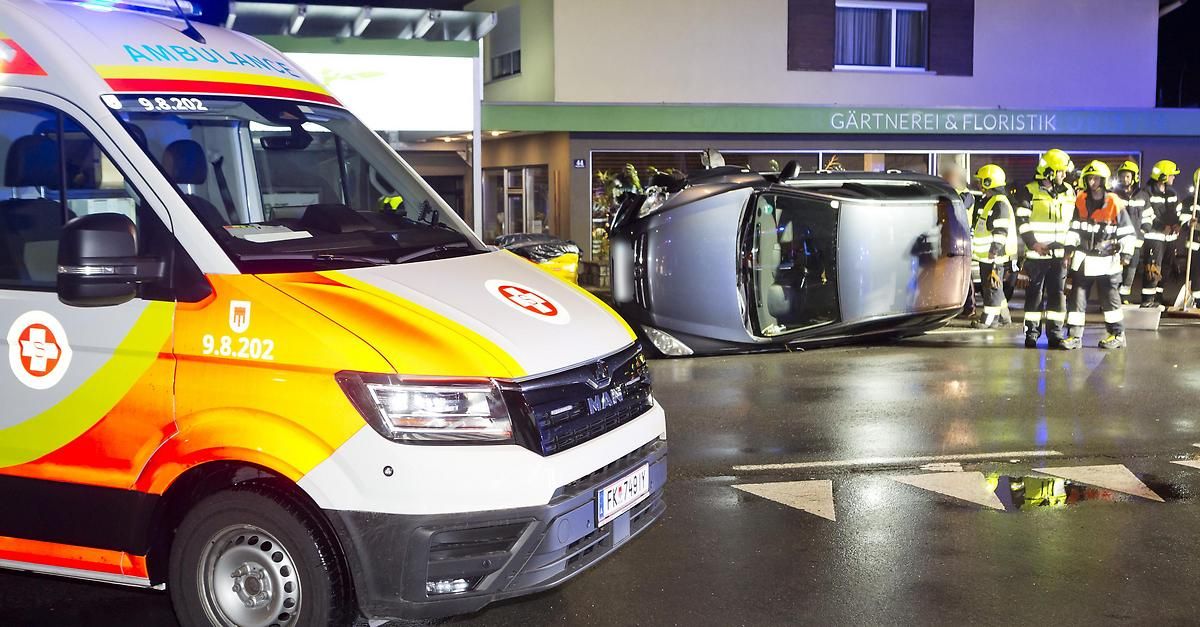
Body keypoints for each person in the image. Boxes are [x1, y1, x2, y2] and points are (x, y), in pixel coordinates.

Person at [1062, 161, 1137, 350]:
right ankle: (1074, 336)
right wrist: (1068, 250)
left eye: (1095, 178)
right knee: (1077, 298)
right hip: (1084, 257)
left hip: (1107, 260)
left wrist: (1126, 255)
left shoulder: (1113, 202)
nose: (1092, 181)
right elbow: (1074, 228)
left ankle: (1117, 334)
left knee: (1110, 299)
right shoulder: (1080, 200)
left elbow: (1128, 232)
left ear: (1103, 181)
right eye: (1089, 178)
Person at [1014, 148, 1075, 348]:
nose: (1064, 175)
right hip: (1036, 256)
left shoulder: (1069, 191)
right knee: (1034, 297)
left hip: (1059, 257)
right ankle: (1031, 334)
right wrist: (1033, 243)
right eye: (1060, 171)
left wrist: (1070, 249)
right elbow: (1021, 222)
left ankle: (1055, 334)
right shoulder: (1029, 191)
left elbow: (1073, 223)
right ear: (1049, 171)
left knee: (1058, 297)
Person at [971, 164, 1016, 329]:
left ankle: (989, 320)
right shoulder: (990, 201)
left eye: (981, 181)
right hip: (989, 256)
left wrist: (994, 250)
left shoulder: (999, 204)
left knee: (991, 288)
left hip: (994, 256)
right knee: (994, 287)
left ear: (989, 182)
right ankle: (1004, 316)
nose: (979, 184)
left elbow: (1000, 231)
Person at [1140, 160, 1183, 308]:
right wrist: (1161, 226)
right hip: (1154, 237)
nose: (1174, 178)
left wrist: (1179, 224)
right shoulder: (1147, 192)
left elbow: (1178, 211)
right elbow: (1147, 214)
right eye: (1172, 175)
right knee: (1153, 268)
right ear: (1163, 176)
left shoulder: (1172, 193)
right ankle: (1147, 299)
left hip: (1170, 237)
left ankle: (1158, 296)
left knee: (1166, 268)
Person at [940, 161, 979, 318]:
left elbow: (958, 206)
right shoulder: (949, 193)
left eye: (948, 177)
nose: (945, 179)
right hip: (951, 238)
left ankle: (969, 307)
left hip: (962, 240)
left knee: (964, 274)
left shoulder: (965, 195)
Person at [1113, 161, 1149, 303]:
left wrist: (1143, 230)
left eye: (1127, 176)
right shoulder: (1113, 195)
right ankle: (1113, 298)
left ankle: (1124, 297)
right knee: (1116, 269)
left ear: (1134, 177)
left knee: (1131, 270)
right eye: (1122, 176)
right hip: (1117, 240)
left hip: (1135, 240)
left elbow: (1148, 216)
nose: (1124, 179)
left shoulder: (1142, 195)